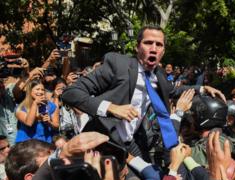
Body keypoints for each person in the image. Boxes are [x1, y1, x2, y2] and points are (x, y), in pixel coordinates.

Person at [61, 25, 225, 156]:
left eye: (159, 45)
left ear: (163, 52)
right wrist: (111, 108)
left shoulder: (159, 75)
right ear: (137, 47)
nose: (153, 48)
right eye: (148, 43)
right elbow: (70, 93)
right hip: (102, 141)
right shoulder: (118, 65)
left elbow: (174, 91)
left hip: (131, 143)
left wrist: (203, 88)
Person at [15, 79, 59, 143]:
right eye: (37, 89)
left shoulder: (51, 106)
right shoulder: (21, 108)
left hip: (45, 142)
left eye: (42, 90)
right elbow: (29, 123)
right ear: (30, 91)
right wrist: (35, 104)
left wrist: (49, 122)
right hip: (27, 143)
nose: (41, 92)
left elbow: (56, 126)